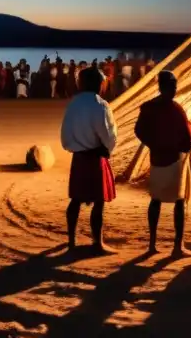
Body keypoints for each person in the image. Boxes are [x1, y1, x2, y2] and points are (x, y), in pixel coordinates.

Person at [134, 70, 191, 257]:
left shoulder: (148, 107)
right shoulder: (176, 109)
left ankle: (152, 244)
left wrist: (153, 143)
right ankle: (177, 246)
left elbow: (139, 131)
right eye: (172, 86)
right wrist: (183, 145)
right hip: (174, 160)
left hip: (157, 159)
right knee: (180, 200)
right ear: (165, 87)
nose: (174, 90)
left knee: (156, 200)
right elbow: (187, 138)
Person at [60, 66, 118, 253]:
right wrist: (107, 149)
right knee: (98, 202)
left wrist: (75, 146)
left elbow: (65, 135)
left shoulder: (73, 104)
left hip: (78, 158)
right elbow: (108, 135)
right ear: (97, 84)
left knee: (75, 200)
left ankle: (71, 241)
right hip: (95, 158)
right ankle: (98, 242)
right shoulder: (100, 105)